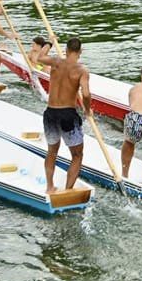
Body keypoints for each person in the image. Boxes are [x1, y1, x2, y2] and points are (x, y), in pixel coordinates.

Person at [41, 39, 92, 195]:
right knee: (77, 154)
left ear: (66, 49)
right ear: (80, 51)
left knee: (52, 152)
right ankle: (68, 190)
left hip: (50, 112)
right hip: (67, 115)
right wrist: (87, 110)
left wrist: (49, 43)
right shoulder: (82, 70)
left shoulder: (55, 61)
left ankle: (50, 187)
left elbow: (38, 57)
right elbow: (86, 94)